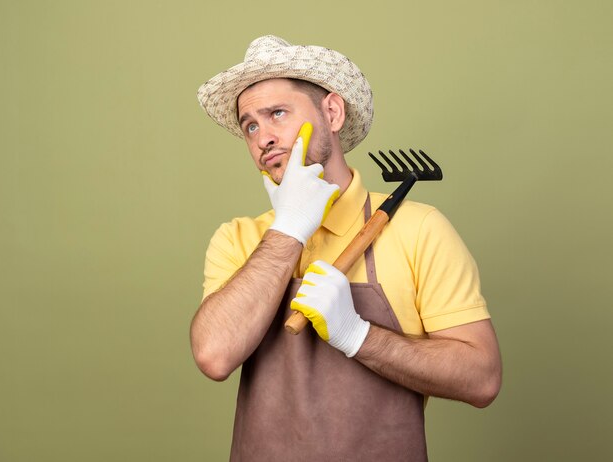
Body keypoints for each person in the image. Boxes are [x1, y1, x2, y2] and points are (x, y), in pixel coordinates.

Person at [191, 35, 502, 461]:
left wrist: (358, 335)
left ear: (332, 112)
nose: (263, 138)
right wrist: (289, 231)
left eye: (277, 114)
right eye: (250, 126)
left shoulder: (418, 229)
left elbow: (482, 379)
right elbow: (214, 356)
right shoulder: (239, 238)